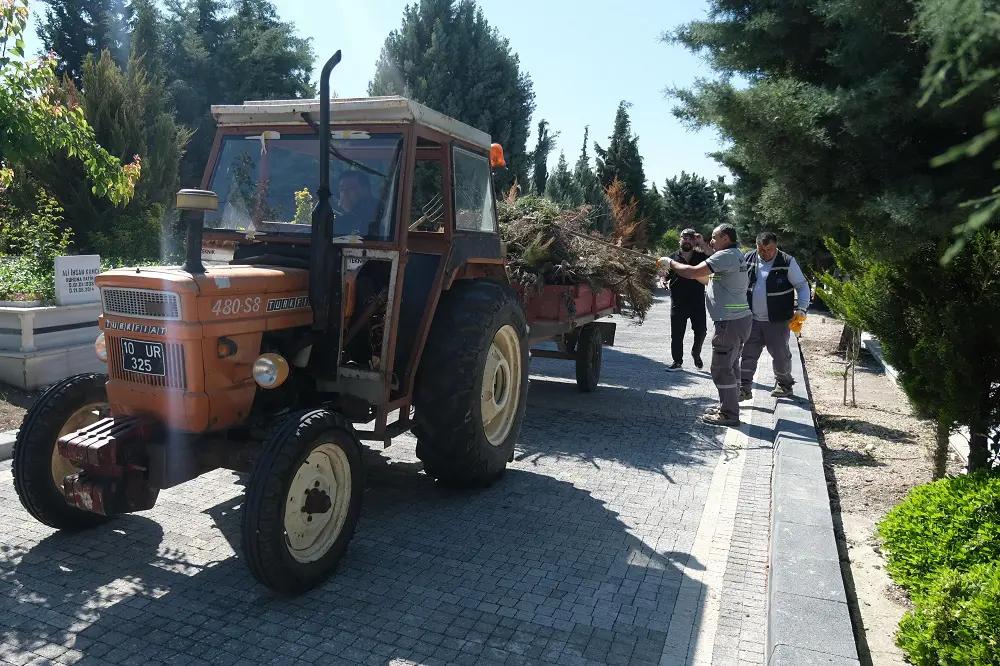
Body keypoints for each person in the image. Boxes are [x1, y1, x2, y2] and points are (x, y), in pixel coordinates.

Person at [661, 223, 752, 427]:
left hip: (729, 323)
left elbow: (693, 272)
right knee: (731, 366)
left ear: (725, 238)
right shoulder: (735, 254)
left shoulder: (725, 256)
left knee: (721, 369)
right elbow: (708, 278)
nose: (710, 241)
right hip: (738, 321)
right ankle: (729, 406)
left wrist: (670, 263)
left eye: (714, 237)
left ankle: (729, 414)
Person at [739, 231, 811, 399]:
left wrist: (801, 308)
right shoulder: (748, 258)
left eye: (769, 249)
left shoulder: (787, 261)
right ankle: (744, 388)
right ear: (756, 246)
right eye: (761, 250)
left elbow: (802, 286)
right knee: (747, 355)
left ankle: (784, 384)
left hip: (778, 320)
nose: (765, 253)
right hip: (752, 319)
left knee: (780, 356)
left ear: (776, 246)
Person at [664, 228, 709, 370]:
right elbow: (664, 274)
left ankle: (696, 353)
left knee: (701, 331)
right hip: (678, 301)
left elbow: (714, 256)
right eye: (685, 238)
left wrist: (702, 243)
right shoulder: (672, 258)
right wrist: (662, 280)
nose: (687, 240)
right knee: (677, 334)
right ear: (680, 240)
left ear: (694, 241)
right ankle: (677, 361)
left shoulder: (701, 257)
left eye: (690, 238)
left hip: (697, 301)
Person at [335, 170, 380, 236]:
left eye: (351, 188)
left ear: (366, 190)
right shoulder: (341, 221)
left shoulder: (380, 211)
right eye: (341, 189)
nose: (345, 193)